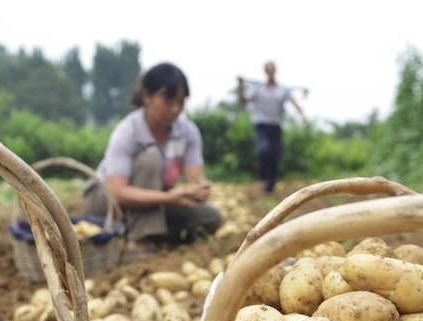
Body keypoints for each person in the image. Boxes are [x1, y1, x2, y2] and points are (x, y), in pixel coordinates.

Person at [85, 63, 222, 255]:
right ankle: (139, 241)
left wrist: (199, 190)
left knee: (209, 217)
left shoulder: (188, 132)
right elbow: (117, 191)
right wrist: (169, 198)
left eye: (181, 102)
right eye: (168, 101)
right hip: (107, 202)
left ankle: (131, 234)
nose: (175, 109)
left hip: (154, 202)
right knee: (151, 157)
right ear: (146, 96)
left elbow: (195, 179)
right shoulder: (128, 131)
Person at [237, 61, 307, 194]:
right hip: (261, 125)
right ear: (265, 72)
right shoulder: (258, 89)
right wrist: (240, 85)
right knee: (264, 151)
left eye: (272, 70)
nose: (270, 72)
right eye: (268, 70)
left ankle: (271, 184)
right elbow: (243, 100)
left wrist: (302, 115)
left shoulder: (282, 90)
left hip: (276, 126)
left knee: (275, 155)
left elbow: (294, 102)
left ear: (275, 71)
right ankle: (263, 178)